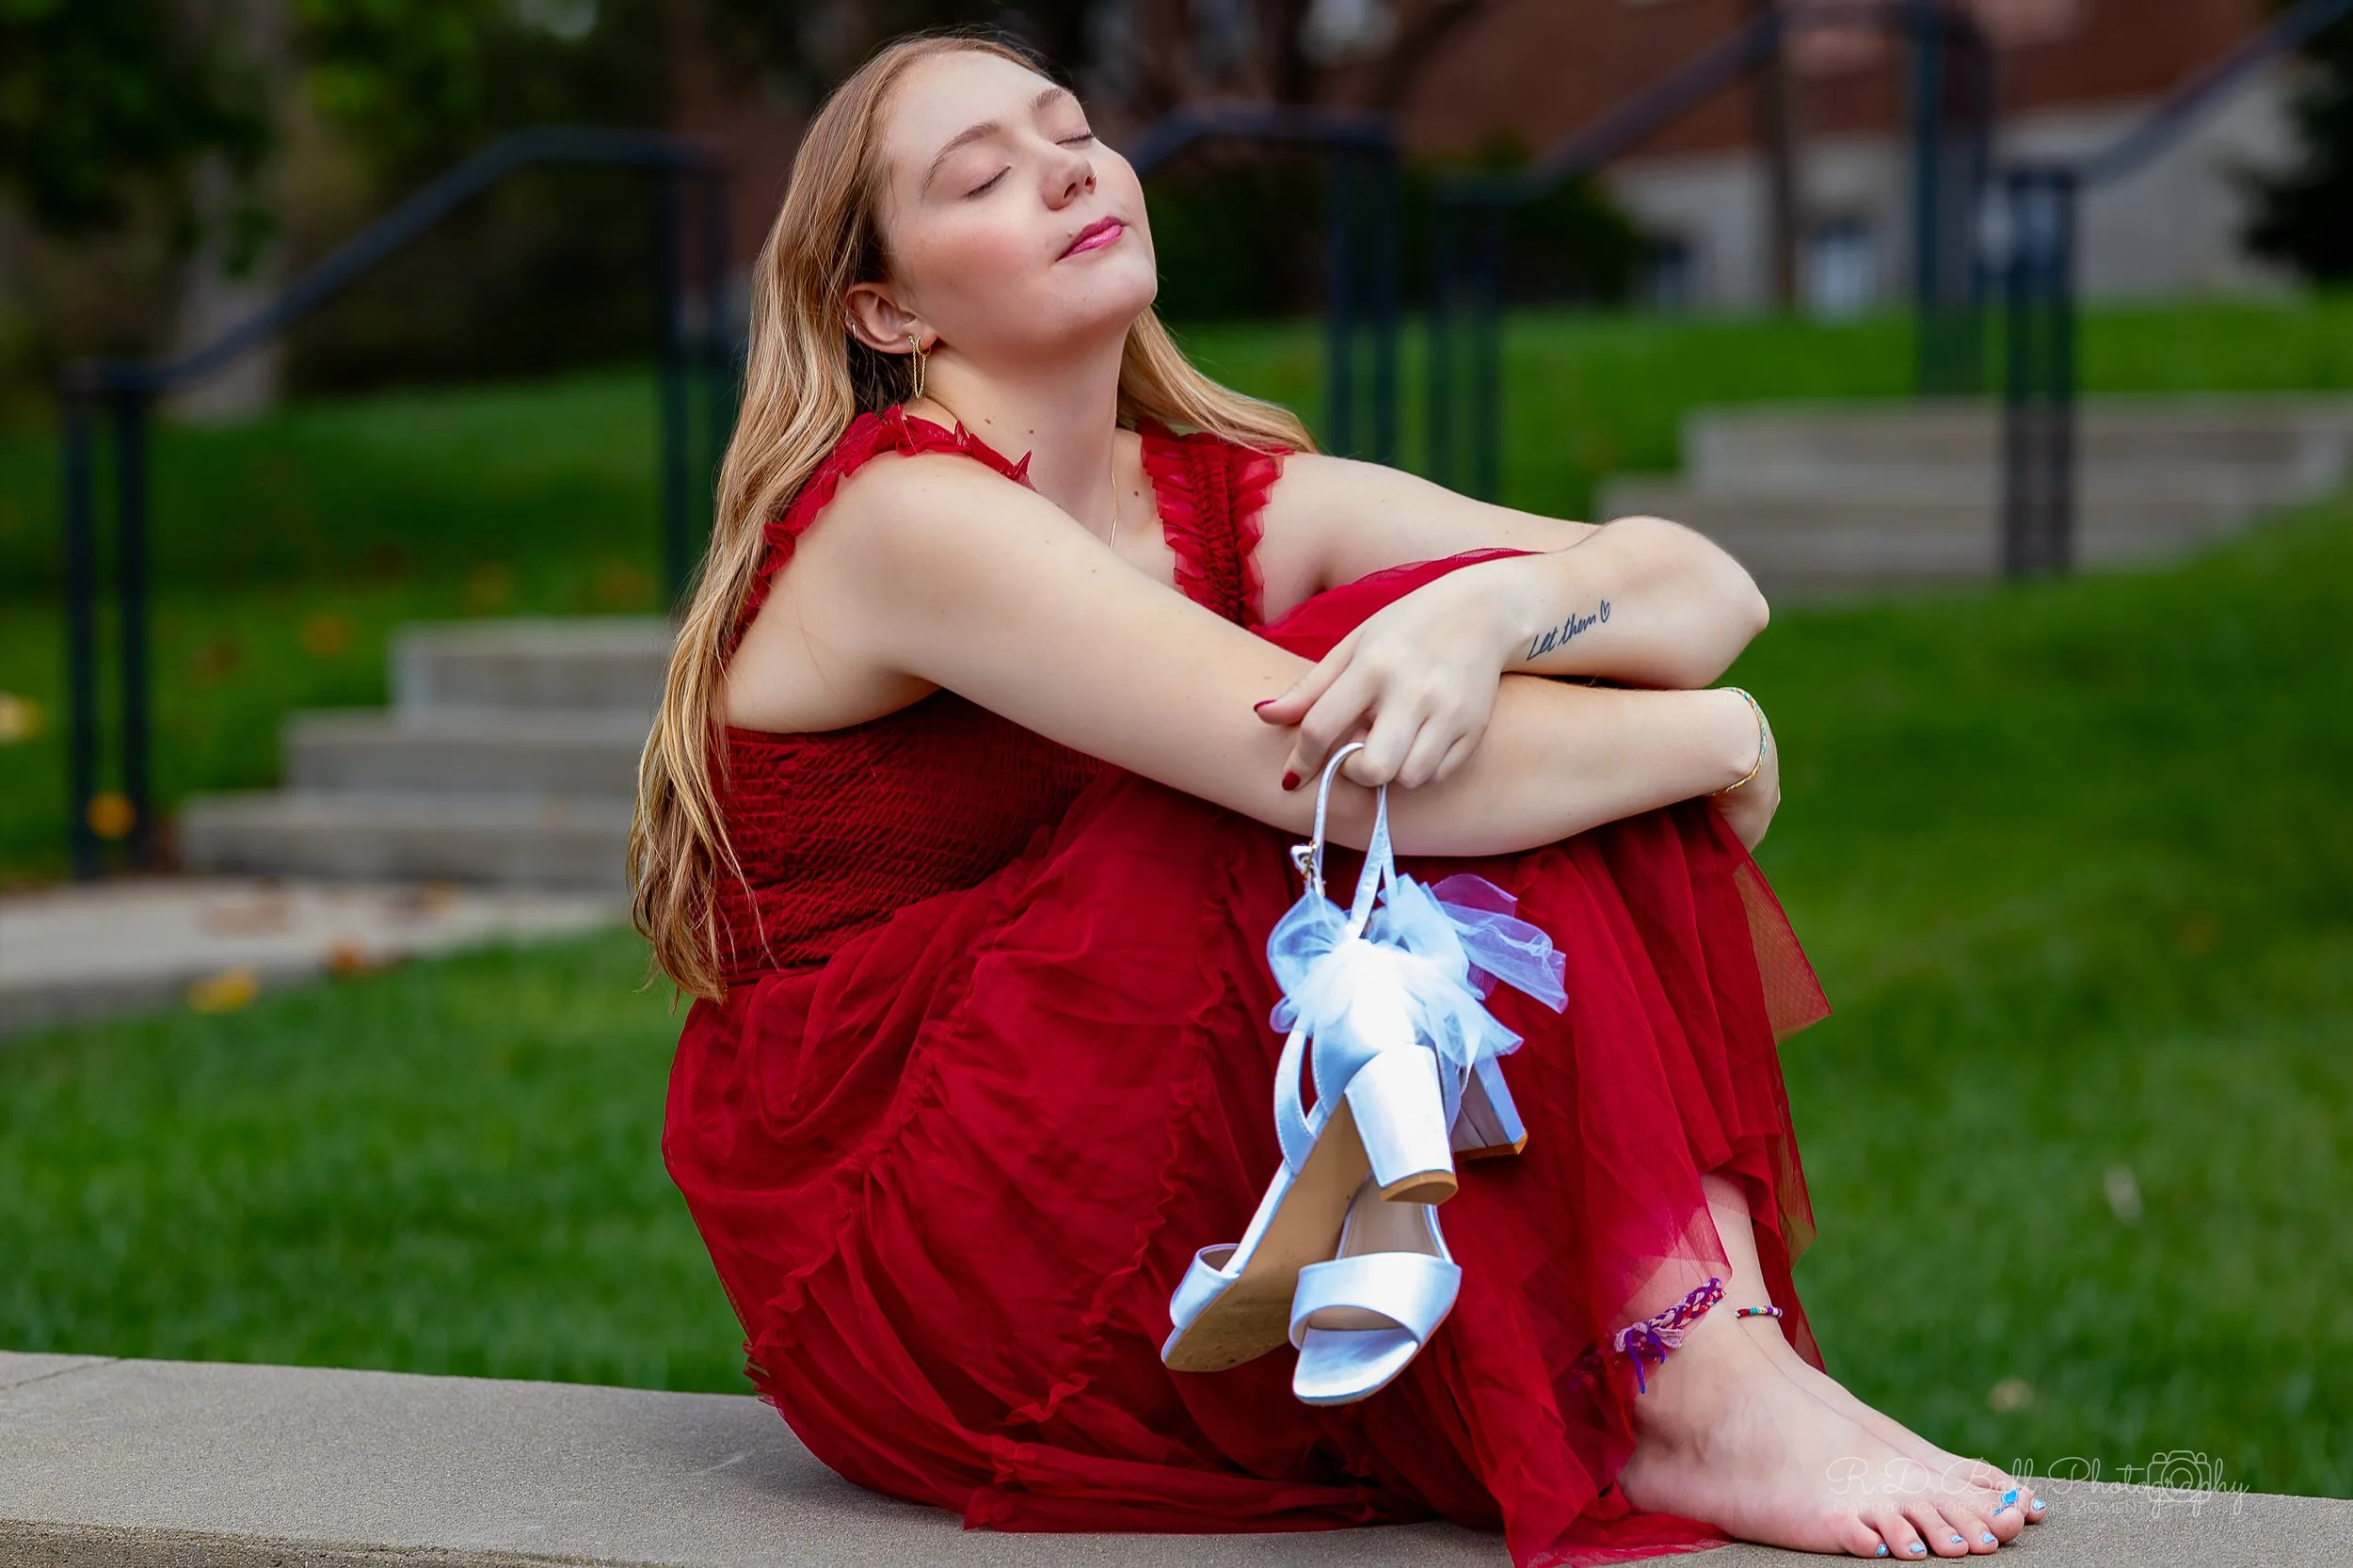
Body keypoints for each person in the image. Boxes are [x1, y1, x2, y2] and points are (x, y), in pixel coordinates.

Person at [631, 25, 2050, 1566]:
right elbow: (1335, 780)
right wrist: (1709, 739)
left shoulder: (1219, 496)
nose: (1066, 172)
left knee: (1434, 665)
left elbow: (1705, 585)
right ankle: (1702, 1381)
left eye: (1074, 133)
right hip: (916, 1228)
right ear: (888, 308)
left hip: (1142, 1153)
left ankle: (1721, 1356)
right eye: (983, 177)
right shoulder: (904, 509)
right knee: (1375, 708)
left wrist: (1500, 614)